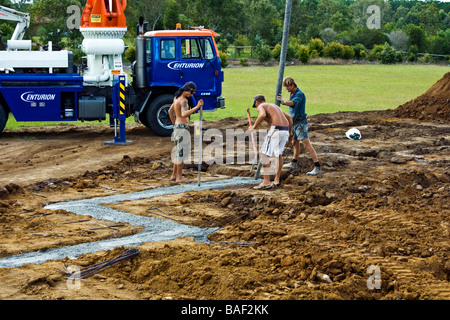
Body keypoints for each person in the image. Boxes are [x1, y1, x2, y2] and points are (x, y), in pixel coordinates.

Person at [277, 76, 321, 176]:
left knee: (306, 144)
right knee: (294, 143)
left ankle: (317, 166)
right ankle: (294, 163)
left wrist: (283, 102)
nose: (286, 89)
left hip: (301, 123)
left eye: (288, 87)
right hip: (294, 122)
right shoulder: (292, 94)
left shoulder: (299, 94)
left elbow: (293, 104)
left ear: (292, 85)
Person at [249, 94, 293, 190]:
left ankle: (266, 181)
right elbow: (289, 117)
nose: (256, 107)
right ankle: (276, 180)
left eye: (256, 105)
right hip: (285, 130)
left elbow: (262, 115)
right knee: (278, 155)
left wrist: (253, 127)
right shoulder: (275, 106)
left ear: (257, 102)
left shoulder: (261, 106)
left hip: (276, 129)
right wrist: (290, 133)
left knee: (264, 154)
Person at [168, 82, 203, 182]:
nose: (192, 95)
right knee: (181, 153)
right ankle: (179, 177)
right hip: (182, 128)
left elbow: (170, 111)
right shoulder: (184, 101)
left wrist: (175, 124)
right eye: (191, 93)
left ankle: (174, 175)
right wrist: (196, 107)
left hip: (178, 127)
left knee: (178, 152)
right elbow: (184, 114)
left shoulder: (176, 98)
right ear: (187, 90)